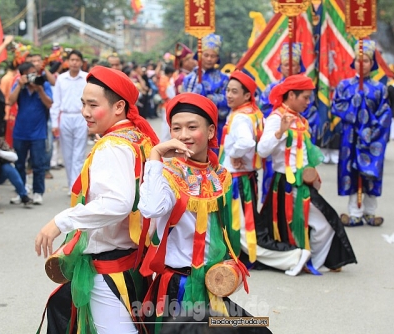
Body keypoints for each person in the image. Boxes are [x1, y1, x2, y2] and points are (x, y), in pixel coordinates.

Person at [35, 66, 159, 333]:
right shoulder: (138, 138)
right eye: (83, 103)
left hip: (111, 267)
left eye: (93, 104)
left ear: (119, 107)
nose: (85, 112)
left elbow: (118, 202)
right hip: (133, 261)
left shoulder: (112, 146)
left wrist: (61, 221)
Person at [138, 93, 270, 334]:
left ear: (210, 132)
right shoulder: (166, 175)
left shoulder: (220, 175)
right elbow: (151, 208)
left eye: (192, 127)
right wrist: (155, 157)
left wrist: (232, 266)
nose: (183, 135)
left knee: (257, 330)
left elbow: (227, 230)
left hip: (213, 283)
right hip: (178, 286)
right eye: (176, 128)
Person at [256, 74, 357, 273]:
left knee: (319, 222)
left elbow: (306, 153)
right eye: (305, 97)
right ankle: (311, 263)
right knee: (324, 222)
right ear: (291, 95)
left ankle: (311, 261)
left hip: (301, 181)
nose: (308, 102)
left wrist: (313, 173)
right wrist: (279, 133)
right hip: (287, 182)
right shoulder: (276, 118)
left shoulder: (300, 120)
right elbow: (262, 150)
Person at [219, 71, 311, 276]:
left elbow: (246, 142)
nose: (228, 95)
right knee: (246, 228)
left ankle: (292, 257)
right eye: (227, 90)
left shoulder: (241, 117)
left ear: (246, 96)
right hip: (246, 177)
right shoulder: (253, 112)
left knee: (245, 231)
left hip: (238, 180)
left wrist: (234, 152)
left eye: (234, 91)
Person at [332, 40, 392, 227]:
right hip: (350, 135)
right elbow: (337, 106)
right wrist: (355, 106)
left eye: (365, 61)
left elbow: (385, 112)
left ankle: (370, 211)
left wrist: (371, 129)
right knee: (351, 171)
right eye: (358, 60)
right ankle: (354, 212)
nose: (362, 64)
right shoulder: (344, 85)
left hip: (373, 137)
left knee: (371, 173)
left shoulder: (380, 88)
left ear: (371, 63)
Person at [259, 43, 319, 203]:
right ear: (281, 66)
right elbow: (263, 111)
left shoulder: (305, 88)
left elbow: (311, 112)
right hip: (278, 139)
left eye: (295, 64)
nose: (290, 68)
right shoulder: (272, 88)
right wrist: (280, 127)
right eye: (287, 64)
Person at [8, 62, 53, 205]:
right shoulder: (20, 87)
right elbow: (10, 101)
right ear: (22, 76)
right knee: (19, 164)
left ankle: (38, 192)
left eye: (34, 72)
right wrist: (20, 85)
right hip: (20, 131)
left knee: (38, 164)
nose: (33, 76)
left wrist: (40, 90)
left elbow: (49, 103)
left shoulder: (43, 85)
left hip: (38, 133)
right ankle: (21, 191)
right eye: (30, 74)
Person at [50, 50, 88, 195]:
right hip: (65, 117)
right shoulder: (61, 78)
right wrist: (54, 123)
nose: (74, 63)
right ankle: (71, 183)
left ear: (81, 62)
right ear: (68, 62)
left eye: (77, 60)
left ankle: (75, 186)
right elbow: (56, 102)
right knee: (67, 154)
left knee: (78, 153)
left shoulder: (85, 78)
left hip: (81, 117)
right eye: (72, 60)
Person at [183, 34, 230, 146]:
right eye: (206, 55)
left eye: (213, 56)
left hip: (216, 126)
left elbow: (228, 101)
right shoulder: (190, 78)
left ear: (217, 58)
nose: (209, 59)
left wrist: (210, 99)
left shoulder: (223, 78)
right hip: (193, 125)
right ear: (200, 55)